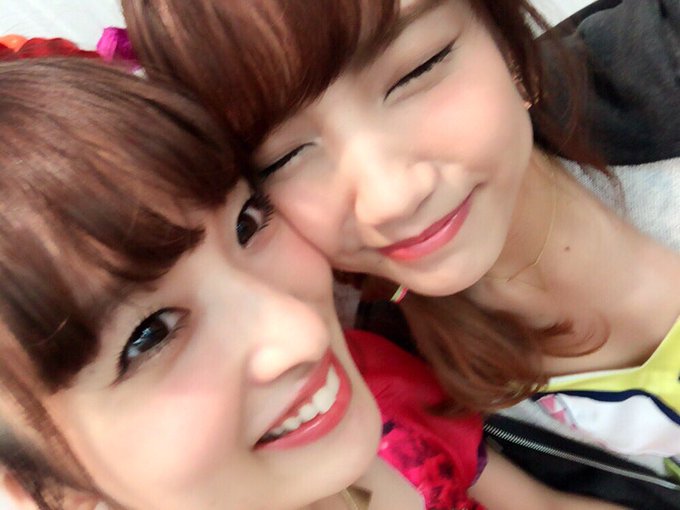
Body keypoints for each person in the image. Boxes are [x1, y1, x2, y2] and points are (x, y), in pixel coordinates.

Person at [0, 57, 626, 510]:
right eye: (148, 335)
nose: (303, 333)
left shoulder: (377, 400)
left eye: (248, 223)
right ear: (39, 488)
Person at [121, 0, 680, 500]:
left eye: (418, 69)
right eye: (282, 158)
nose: (390, 197)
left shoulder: (660, 66)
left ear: (505, 37)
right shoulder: (393, 371)